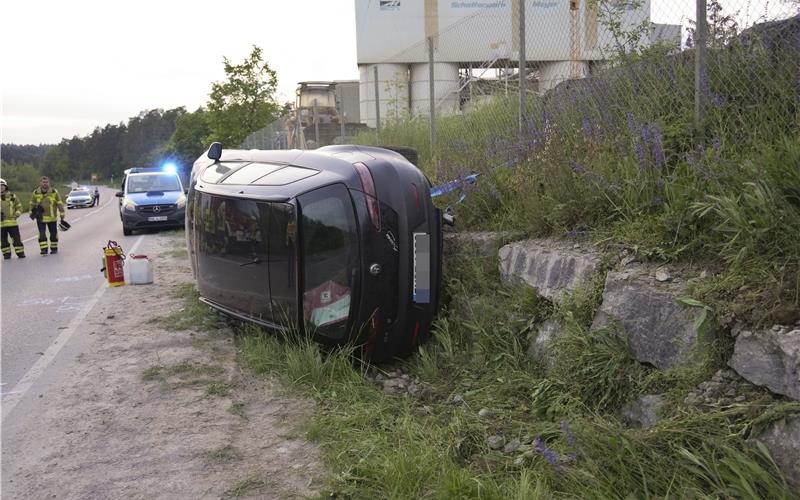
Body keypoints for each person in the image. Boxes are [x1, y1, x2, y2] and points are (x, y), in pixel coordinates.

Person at [30, 176, 66, 255]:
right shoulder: (35, 193)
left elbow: (59, 203)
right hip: (40, 218)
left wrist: (62, 214)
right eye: (43, 182)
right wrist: (31, 213)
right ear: (40, 183)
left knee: (53, 234)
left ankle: (54, 248)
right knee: (42, 234)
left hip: (52, 218)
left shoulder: (54, 192)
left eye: (46, 182)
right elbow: (32, 204)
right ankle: (44, 249)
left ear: (49, 183)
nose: (45, 184)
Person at [1, 179, 26, 259]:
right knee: (3, 241)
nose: (0, 188)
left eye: (2, 186)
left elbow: (19, 206)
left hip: (12, 223)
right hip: (1, 225)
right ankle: (6, 254)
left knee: (16, 239)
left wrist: (16, 215)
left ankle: (20, 253)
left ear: (5, 187)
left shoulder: (12, 196)